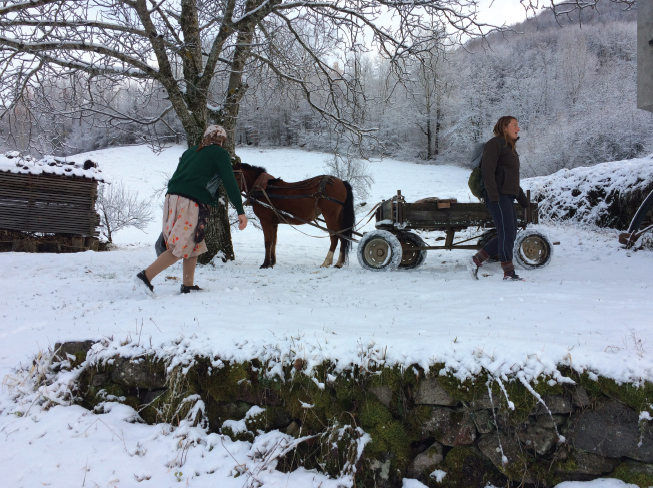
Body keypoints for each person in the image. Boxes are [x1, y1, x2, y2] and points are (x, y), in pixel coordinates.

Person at [135, 125, 248, 294]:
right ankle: (145, 277)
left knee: (194, 242)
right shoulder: (220, 154)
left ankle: (188, 285)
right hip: (191, 201)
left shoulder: (191, 152)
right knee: (179, 245)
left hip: (172, 198)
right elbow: (230, 182)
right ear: (222, 141)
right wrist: (240, 210)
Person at [468, 116, 529, 281]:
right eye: (515, 125)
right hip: (497, 196)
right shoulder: (495, 144)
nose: (518, 129)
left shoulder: (511, 149)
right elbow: (488, 171)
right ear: (504, 127)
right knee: (507, 233)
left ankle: (477, 260)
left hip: (507, 196)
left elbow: (511, 178)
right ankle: (508, 273)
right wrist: (493, 197)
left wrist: (523, 199)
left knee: (508, 233)